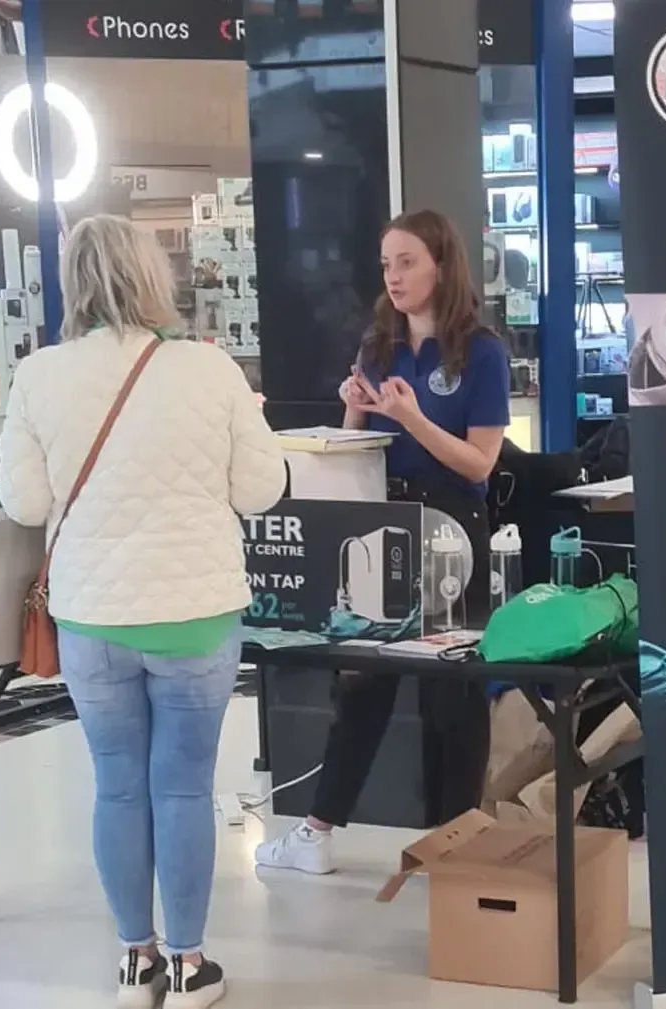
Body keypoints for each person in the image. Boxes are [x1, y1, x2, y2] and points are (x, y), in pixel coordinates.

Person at [0, 214, 284, 1009]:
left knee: (117, 785)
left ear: (74, 281)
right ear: (155, 276)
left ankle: (135, 961)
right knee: (184, 787)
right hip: (196, 614)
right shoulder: (209, 368)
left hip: (91, 618)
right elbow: (261, 489)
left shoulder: (38, 375)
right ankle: (190, 968)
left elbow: (24, 504)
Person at [254, 209, 510, 875]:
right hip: (383, 522)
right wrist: (357, 408)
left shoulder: (482, 352)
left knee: (455, 691)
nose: (393, 277)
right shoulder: (380, 345)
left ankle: (460, 840)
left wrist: (412, 417)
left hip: (451, 527)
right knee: (363, 682)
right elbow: (356, 448)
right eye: (386, 264)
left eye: (407, 262)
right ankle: (316, 830)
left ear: (441, 266)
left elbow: (479, 464)